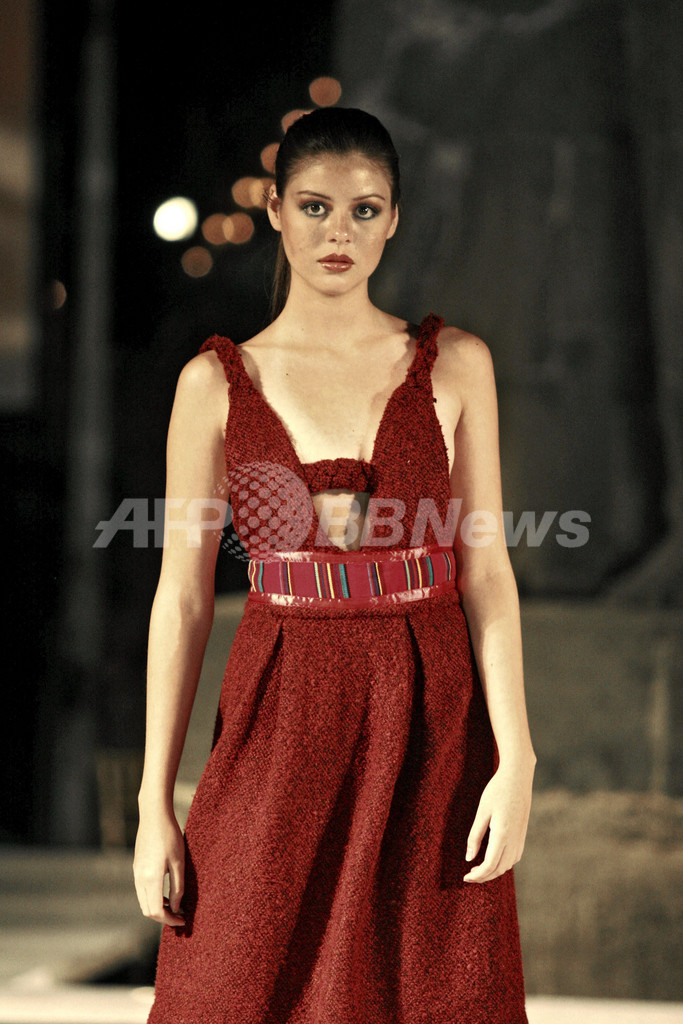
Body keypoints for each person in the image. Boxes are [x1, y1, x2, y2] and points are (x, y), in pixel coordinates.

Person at [134, 106, 536, 1024]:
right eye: (315, 207)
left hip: (430, 714)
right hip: (280, 703)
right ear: (275, 210)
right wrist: (156, 803)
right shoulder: (213, 384)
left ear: (393, 219)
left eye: (364, 210)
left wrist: (516, 756)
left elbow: (486, 574)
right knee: (227, 986)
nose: (337, 233)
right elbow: (181, 601)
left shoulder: (455, 365)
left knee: (432, 989)